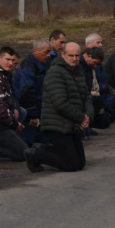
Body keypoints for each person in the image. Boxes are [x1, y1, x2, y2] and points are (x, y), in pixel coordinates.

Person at [26, 42, 91, 173]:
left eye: (77, 56)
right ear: (63, 55)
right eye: (71, 55)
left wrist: (88, 115)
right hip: (56, 125)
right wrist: (81, 117)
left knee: (80, 163)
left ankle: (50, 150)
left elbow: (87, 97)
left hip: (71, 124)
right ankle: (36, 154)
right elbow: (60, 103)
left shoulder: (79, 71)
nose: (74, 58)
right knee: (72, 165)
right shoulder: (55, 73)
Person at [13, 38, 51, 145]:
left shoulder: (45, 65)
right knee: (27, 144)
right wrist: (33, 115)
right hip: (29, 114)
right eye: (46, 52)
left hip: (40, 110)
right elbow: (26, 93)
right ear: (35, 51)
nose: (49, 55)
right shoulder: (28, 67)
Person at [79, 46, 114, 131]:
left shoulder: (89, 67)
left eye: (97, 64)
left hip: (90, 95)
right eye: (94, 63)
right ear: (89, 56)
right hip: (83, 97)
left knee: (106, 122)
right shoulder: (79, 66)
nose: (95, 66)